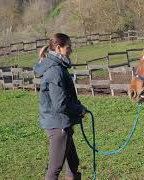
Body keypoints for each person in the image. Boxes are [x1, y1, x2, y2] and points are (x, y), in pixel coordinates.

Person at [34, 33, 86, 180]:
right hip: (58, 125)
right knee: (55, 168)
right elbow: (60, 104)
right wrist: (79, 109)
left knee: (73, 163)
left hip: (63, 122)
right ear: (58, 48)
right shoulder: (55, 71)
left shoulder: (58, 67)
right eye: (68, 47)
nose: (71, 50)